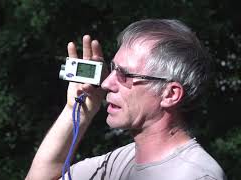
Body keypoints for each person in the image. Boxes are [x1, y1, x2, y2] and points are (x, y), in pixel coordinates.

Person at [26, 19, 226, 180]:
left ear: (170, 94)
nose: (106, 84)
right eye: (113, 69)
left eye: (125, 74)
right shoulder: (122, 161)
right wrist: (75, 110)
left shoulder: (197, 175)